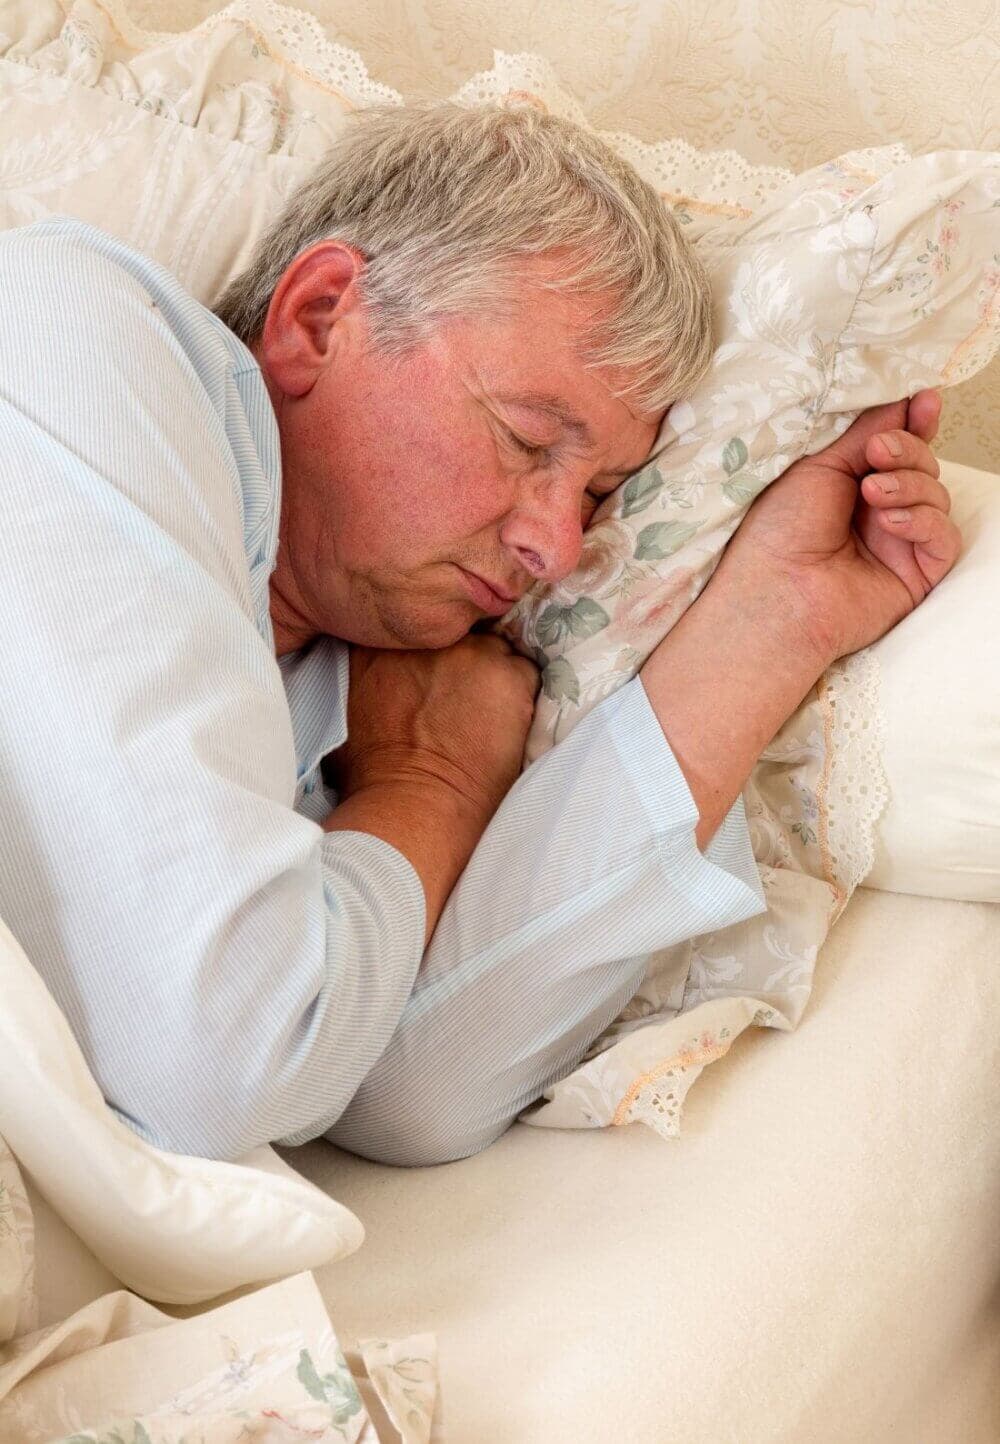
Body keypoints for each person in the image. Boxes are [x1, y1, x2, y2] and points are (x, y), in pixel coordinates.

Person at [0, 104, 958, 1167]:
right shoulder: (73, 336)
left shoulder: (357, 698)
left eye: (595, 493)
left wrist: (773, 623)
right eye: (526, 440)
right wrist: (427, 789)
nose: (558, 546)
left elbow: (411, 1096)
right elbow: (227, 1060)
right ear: (319, 317)